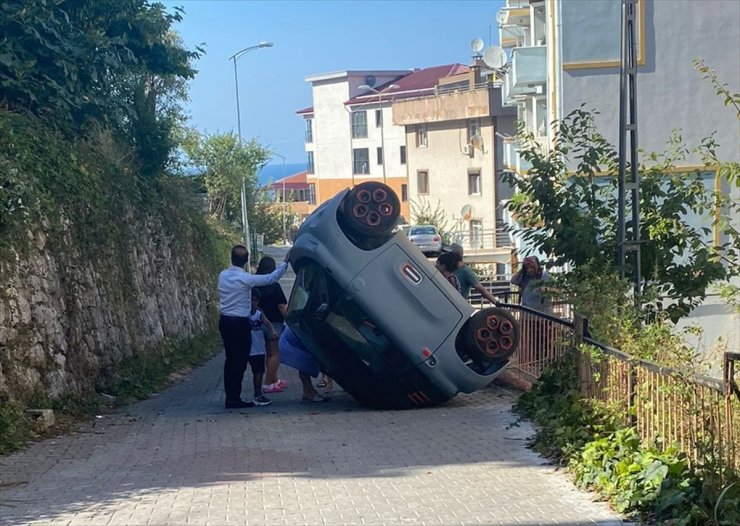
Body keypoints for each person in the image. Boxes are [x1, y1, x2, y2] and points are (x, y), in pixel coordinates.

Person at [218, 245, 289, 409]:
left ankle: (231, 395)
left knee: (230, 360)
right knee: (240, 361)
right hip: (240, 323)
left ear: (231, 258)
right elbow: (270, 278)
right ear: (246, 259)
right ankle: (234, 399)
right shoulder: (246, 279)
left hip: (225, 321)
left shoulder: (222, 275)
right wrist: (285, 263)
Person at [255, 256, 289, 394]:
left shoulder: (255, 284)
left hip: (259, 322)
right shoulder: (274, 286)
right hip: (274, 323)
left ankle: (274, 379)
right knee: (275, 354)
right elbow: (281, 306)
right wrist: (289, 319)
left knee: (266, 354)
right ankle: (268, 383)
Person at [279, 327, 330, 403]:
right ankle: (310, 392)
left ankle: (307, 391)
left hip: (296, 335)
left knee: (303, 364)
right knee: (304, 363)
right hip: (298, 336)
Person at [247, 289, 278, 406]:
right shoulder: (243, 314)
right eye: (251, 299)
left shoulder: (259, 314)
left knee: (259, 371)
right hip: (247, 347)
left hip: (258, 348)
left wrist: (273, 330)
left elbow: (268, 323)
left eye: (255, 300)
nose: (253, 303)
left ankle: (258, 394)